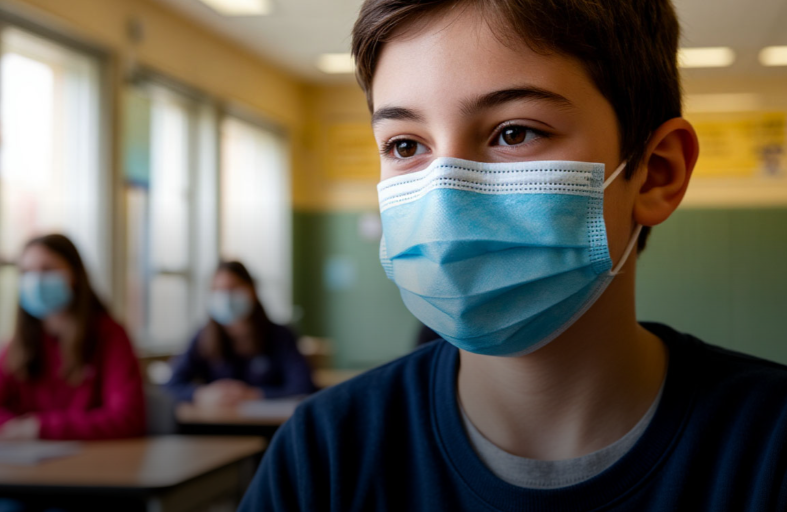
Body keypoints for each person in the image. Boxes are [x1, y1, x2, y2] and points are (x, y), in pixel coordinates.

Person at [239, 1, 787, 511]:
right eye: (406, 145)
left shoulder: (769, 447)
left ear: (656, 173)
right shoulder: (324, 453)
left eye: (515, 132)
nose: (445, 198)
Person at [0, 234, 145, 440]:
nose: (36, 281)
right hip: (28, 456)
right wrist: (14, 427)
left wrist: (39, 428)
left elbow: (127, 418)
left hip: (95, 457)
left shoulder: (110, 335)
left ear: (74, 274)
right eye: (26, 272)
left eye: (47, 269)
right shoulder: (19, 343)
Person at [165, 261, 315, 406]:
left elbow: (303, 387)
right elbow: (171, 385)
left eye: (233, 288)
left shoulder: (281, 336)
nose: (226, 297)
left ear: (252, 290)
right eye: (217, 290)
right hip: (216, 420)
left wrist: (254, 394)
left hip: (268, 422)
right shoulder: (203, 337)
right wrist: (202, 394)